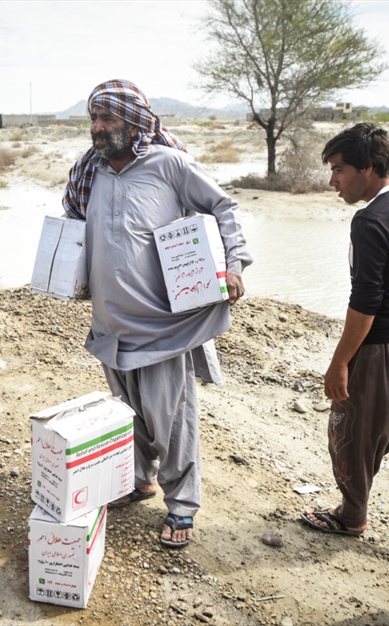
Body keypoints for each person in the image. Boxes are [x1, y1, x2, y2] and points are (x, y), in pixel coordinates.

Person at [62, 79, 251, 549]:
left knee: (173, 419)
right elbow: (73, 230)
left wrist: (233, 265)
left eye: (108, 119)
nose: (98, 129)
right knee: (130, 415)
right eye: (93, 119)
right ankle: (141, 480)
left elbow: (224, 207)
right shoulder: (92, 172)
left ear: (135, 122)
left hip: (164, 323)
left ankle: (182, 507)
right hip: (110, 324)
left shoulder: (169, 165)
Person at [301, 123, 389, 536]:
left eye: (339, 169)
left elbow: (365, 302)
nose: (332, 181)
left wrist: (340, 362)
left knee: (352, 433)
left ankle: (350, 515)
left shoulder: (370, 219)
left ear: (368, 168)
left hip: (383, 352)